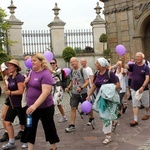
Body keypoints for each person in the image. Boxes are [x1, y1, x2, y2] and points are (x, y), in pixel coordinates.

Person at [21, 53, 59, 150]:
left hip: (45, 108)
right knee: (29, 128)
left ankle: (53, 148)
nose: (32, 62)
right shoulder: (32, 72)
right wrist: (25, 83)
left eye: (34, 60)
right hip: (31, 108)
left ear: (41, 61)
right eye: (31, 60)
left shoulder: (46, 74)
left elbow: (45, 93)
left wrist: (35, 106)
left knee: (49, 128)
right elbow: (29, 87)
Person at [86, 57, 120, 144]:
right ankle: (114, 121)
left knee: (106, 117)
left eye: (97, 63)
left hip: (109, 99)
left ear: (101, 65)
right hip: (100, 99)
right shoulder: (97, 73)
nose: (95, 65)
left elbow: (117, 85)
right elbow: (94, 85)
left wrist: (107, 88)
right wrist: (89, 95)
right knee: (105, 116)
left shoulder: (110, 73)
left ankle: (108, 136)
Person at [2, 59, 26, 149]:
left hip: (20, 104)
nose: (9, 67)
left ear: (16, 67)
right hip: (12, 104)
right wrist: (7, 89)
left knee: (23, 123)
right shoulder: (10, 77)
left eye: (11, 65)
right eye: (8, 65)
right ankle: (11, 141)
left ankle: (26, 140)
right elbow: (9, 89)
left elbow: (21, 91)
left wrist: (10, 93)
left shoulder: (19, 77)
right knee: (7, 122)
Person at [125, 52, 150, 126]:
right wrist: (123, 60)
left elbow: (147, 78)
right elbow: (125, 66)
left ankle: (147, 113)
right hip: (134, 88)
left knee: (146, 104)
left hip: (144, 89)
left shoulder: (146, 67)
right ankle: (135, 120)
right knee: (135, 104)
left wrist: (143, 87)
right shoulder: (133, 66)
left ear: (142, 58)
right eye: (136, 57)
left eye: (139, 57)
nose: (137, 58)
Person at [65, 57, 90, 132]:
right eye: (71, 62)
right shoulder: (72, 71)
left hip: (83, 93)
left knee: (88, 109)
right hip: (74, 93)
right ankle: (72, 125)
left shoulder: (83, 70)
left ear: (77, 62)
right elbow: (72, 81)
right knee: (73, 108)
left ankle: (91, 118)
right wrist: (68, 87)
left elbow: (87, 82)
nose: (72, 63)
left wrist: (81, 87)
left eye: (74, 61)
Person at [50, 58, 68, 123]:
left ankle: (50, 117)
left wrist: (48, 70)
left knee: (54, 102)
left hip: (58, 88)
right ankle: (64, 116)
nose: (52, 64)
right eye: (51, 63)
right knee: (58, 104)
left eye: (53, 63)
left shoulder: (59, 70)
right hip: (52, 89)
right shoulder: (50, 71)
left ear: (56, 63)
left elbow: (55, 73)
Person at [80, 58, 95, 125]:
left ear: (86, 62)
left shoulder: (89, 69)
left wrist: (92, 86)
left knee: (88, 102)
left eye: (83, 61)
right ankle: (85, 110)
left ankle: (91, 118)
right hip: (82, 88)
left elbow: (91, 78)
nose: (82, 63)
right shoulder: (80, 69)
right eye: (81, 62)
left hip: (88, 88)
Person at [0, 62, 9, 142]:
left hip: (16, 99)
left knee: (22, 118)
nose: (3, 72)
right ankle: (7, 132)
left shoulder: (16, 76)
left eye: (4, 70)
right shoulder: (5, 77)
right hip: (8, 99)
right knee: (3, 116)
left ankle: (22, 130)